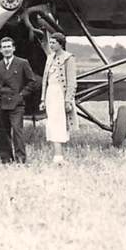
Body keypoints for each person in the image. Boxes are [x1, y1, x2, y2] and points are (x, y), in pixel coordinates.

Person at [0, 36, 38, 164]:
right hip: (1, 103)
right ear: (0, 50)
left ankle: (20, 159)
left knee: (17, 131)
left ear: (14, 48)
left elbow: (32, 82)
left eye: (9, 47)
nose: (7, 49)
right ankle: (6, 159)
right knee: (2, 132)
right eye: (4, 47)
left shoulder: (22, 63)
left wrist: (22, 94)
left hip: (17, 104)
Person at [40, 33, 77, 164]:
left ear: (61, 44)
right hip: (50, 93)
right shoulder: (49, 58)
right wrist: (43, 99)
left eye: (53, 43)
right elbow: (45, 80)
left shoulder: (69, 58)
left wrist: (68, 100)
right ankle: (57, 155)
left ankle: (58, 156)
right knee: (52, 123)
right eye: (50, 43)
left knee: (59, 123)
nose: (51, 45)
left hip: (60, 94)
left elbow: (72, 81)